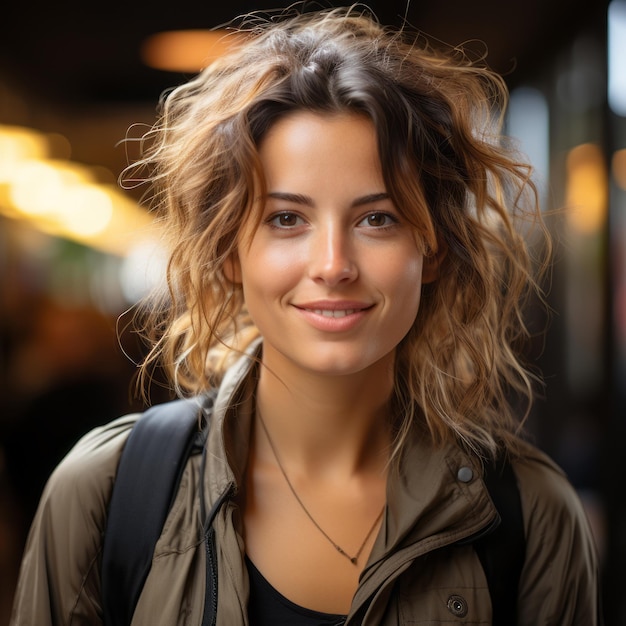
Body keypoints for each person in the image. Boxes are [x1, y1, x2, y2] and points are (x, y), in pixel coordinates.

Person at [10, 6, 601, 625]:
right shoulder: (106, 495)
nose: (332, 264)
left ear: (433, 249)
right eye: (286, 219)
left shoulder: (530, 516)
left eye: (379, 218)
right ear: (229, 254)